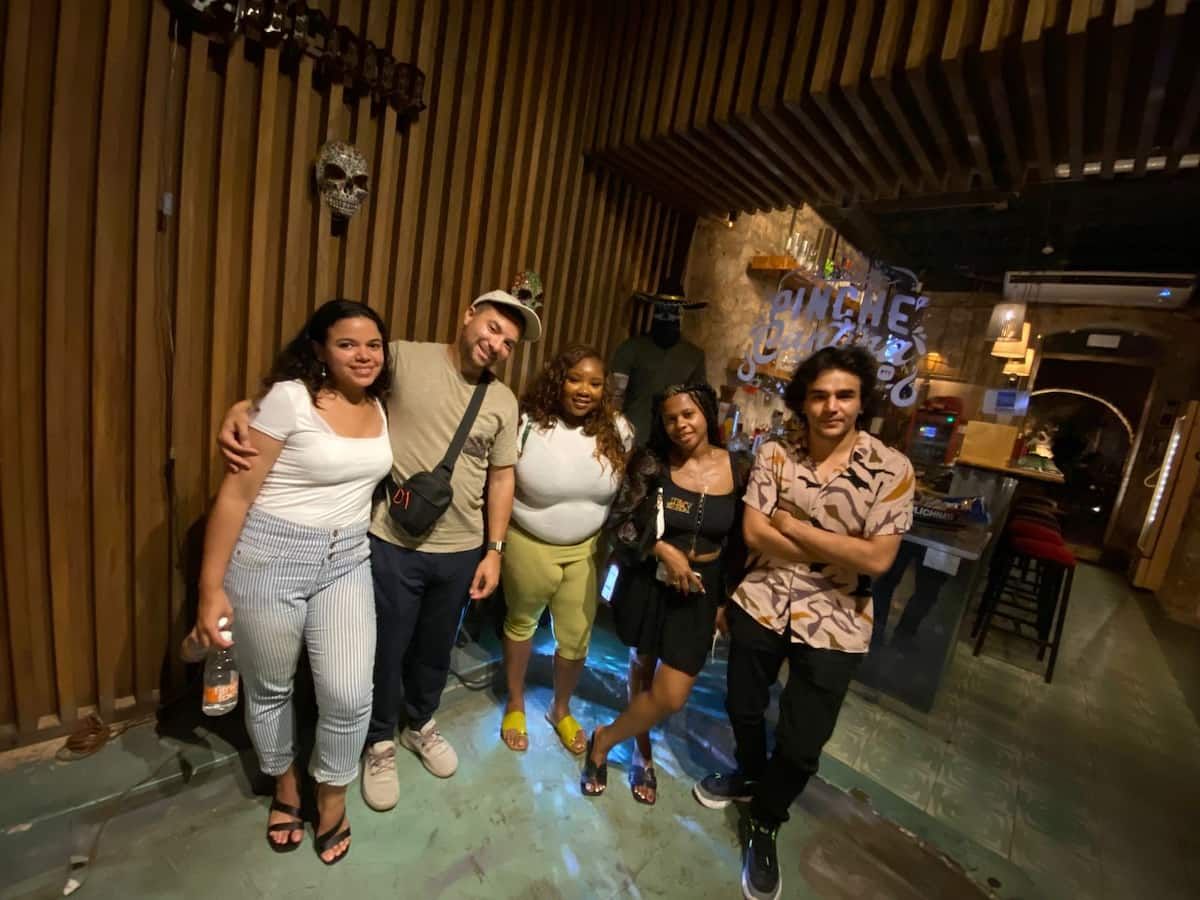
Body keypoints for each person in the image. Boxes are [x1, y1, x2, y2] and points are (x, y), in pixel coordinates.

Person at [218, 287, 541, 814]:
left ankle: (422, 722)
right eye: (492, 328)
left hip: (461, 548)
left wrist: (494, 549)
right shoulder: (401, 358)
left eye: (508, 341)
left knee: (436, 647)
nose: (497, 343)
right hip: (388, 538)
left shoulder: (502, 401)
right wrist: (246, 407)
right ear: (468, 317)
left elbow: (502, 477)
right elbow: (322, 381)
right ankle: (380, 741)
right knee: (383, 649)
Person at [692, 345, 914, 900]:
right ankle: (747, 775)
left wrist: (794, 525)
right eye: (819, 395)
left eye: (844, 395)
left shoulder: (892, 469)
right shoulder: (774, 454)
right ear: (803, 402)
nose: (831, 407)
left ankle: (765, 818)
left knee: (801, 743)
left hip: (839, 620)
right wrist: (838, 548)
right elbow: (755, 535)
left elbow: (877, 560)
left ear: (862, 402)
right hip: (762, 602)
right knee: (742, 706)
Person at [192, 299, 393, 865]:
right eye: (347, 344)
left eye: (373, 344)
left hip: (348, 559)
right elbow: (235, 495)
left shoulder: (381, 403)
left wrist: (243, 405)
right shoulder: (290, 398)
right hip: (268, 559)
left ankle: (331, 796)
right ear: (320, 350)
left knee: (351, 695)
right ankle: (284, 786)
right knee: (271, 688)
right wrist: (212, 589)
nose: (363, 355)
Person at [581, 383, 749, 805]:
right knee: (641, 669)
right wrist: (662, 549)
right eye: (671, 417)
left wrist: (729, 599)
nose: (680, 425)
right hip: (650, 582)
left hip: (701, 591)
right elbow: (619, 520)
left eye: (688, 414)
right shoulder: (652, 462)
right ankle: (643, 753)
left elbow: (742, 544)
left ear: (708, 413)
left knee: (671, 694)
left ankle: (603, 738)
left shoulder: (741, 468)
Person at [499, 344, 633, 754]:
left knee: (576, 637)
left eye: (595, 383)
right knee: (521, 623)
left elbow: (624, 494)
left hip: (587, 550)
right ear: (559, 380)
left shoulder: (620, 430)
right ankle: (516, 701)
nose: (584, 390)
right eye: (575, 379)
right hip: (529, 544)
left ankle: (560, 708)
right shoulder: (526, 423)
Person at [609, 279, 708, 445]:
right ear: (654, 310)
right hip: (629, 439)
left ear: (680, 314)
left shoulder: (694, 356)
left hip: (672, 444)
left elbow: (698, 404)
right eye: (661, 310)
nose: (666, 317)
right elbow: (613, 397)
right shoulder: (630, 349)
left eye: (673, 311)